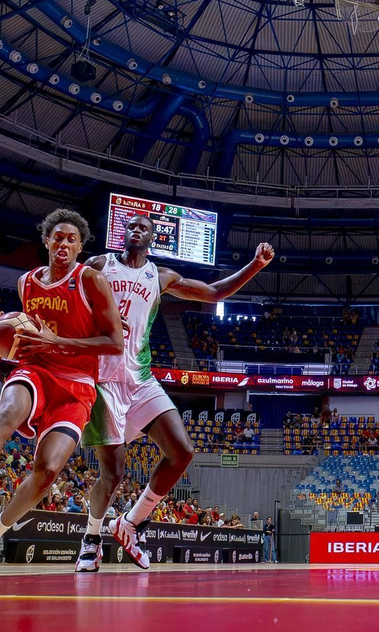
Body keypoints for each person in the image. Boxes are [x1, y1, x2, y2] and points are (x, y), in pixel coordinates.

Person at [0, 208, 126, 573]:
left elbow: (115, 343)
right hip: (37, 370)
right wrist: (9, 336)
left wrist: (57, 338)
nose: (63, 243)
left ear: (80, 247)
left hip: (78, 386)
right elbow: (24, 331)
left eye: (71, 239)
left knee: (47, 471)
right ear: (46, 241)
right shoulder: (27, 282)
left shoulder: (91, 280)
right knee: (7, 412)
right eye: (57, 237)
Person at [76, 213, 276, 572]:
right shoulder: (98, 265)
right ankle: (91, 539)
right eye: (131, 226)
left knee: (182, 451)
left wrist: (254, 265)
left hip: (140, 378)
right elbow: (72, 303)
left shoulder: (160, 276)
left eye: (144, 228)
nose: (136, 230)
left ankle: (130, 523)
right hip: (102, 380)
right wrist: (96, 321)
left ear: (152, 238)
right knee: (114, 473)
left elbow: (215, 292)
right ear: (122, 234)